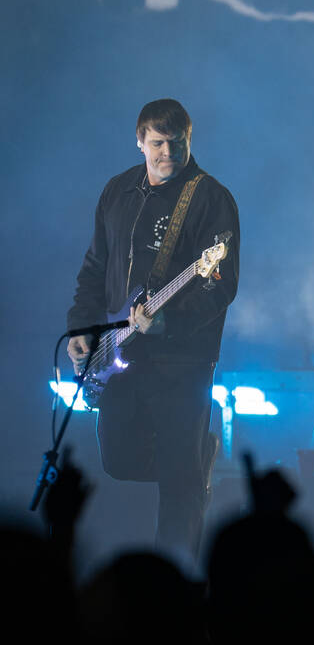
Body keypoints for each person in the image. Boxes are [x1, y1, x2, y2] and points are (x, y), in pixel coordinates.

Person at [67, 98, 239, 563]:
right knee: (117, 460)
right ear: (139, 141)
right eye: (158, 143)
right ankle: (192, 459)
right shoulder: (118, 190)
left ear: (189, 139)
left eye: (177, 143)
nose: (168, 152)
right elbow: (95, 266)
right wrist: (81, 326)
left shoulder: (210, 198)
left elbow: (222, 288)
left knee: (180, 482)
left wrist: (168, 322)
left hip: (183, 360)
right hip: (121, 352)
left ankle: (177, 586)